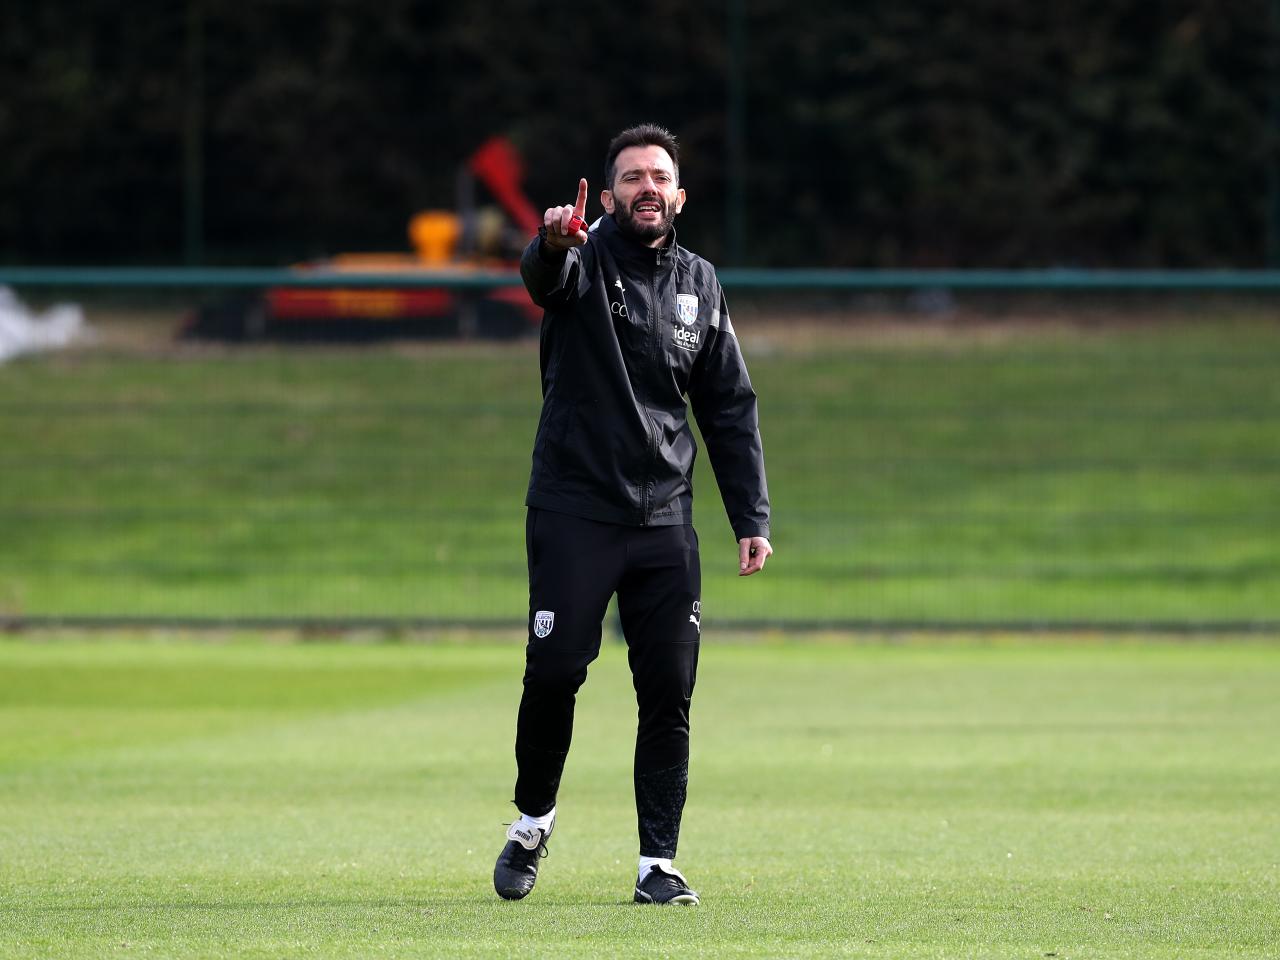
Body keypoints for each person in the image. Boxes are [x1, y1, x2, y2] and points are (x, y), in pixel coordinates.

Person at [493, 124, 772, 907]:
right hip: (575, 510)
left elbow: (727, 406)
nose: (646, 187)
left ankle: (658, 863)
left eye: (659, 176)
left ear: (679, 195)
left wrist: (750, 514)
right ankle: (531, 822)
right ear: (609, 194)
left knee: (668, 691)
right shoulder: (581, 259)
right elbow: (544, 279)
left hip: (663, 522)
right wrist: (550, 242)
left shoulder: (699, 284)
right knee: (554, 672)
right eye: (631, 177)